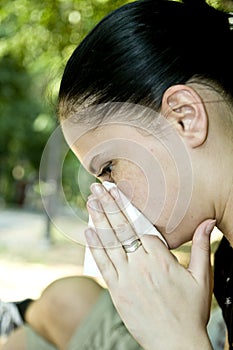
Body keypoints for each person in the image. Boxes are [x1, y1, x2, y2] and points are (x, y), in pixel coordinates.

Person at [2, 0, 232, 348]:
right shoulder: (227, 263)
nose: (108, 196)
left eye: (109, 168)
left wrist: (177, 337)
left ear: (185, 118)